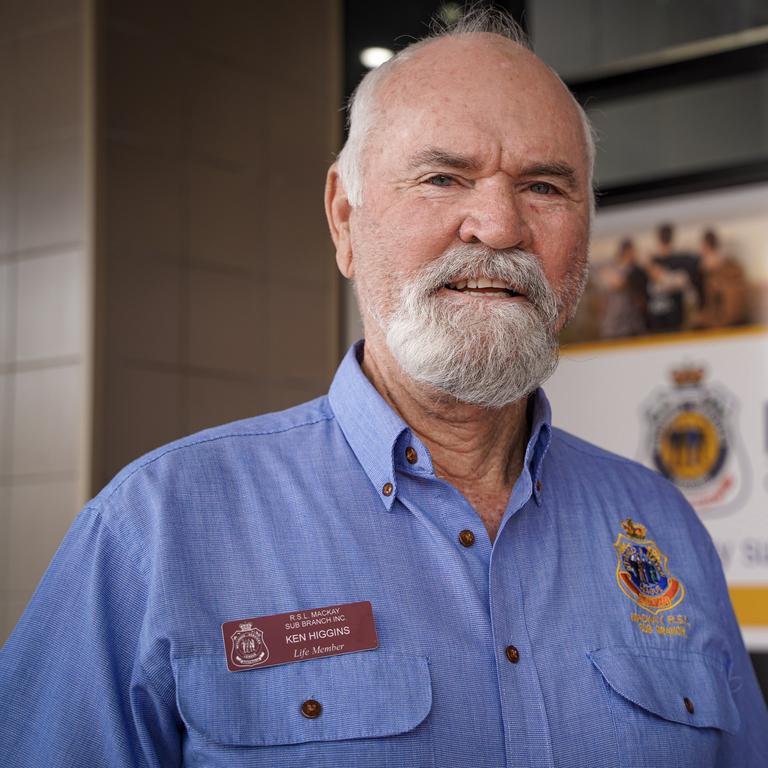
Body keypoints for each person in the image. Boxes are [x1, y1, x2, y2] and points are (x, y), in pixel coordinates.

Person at [1, 9, 766, 767]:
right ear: (344, 218)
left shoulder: (662, 525)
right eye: (442, 177)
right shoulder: (153, 534)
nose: (498, 225)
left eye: (543, 186)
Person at [694, 228, 749, 329]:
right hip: (738, 317)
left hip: (722, 320)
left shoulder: (708, 269)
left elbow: (711, 301)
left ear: (705, 246)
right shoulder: (733, 265)